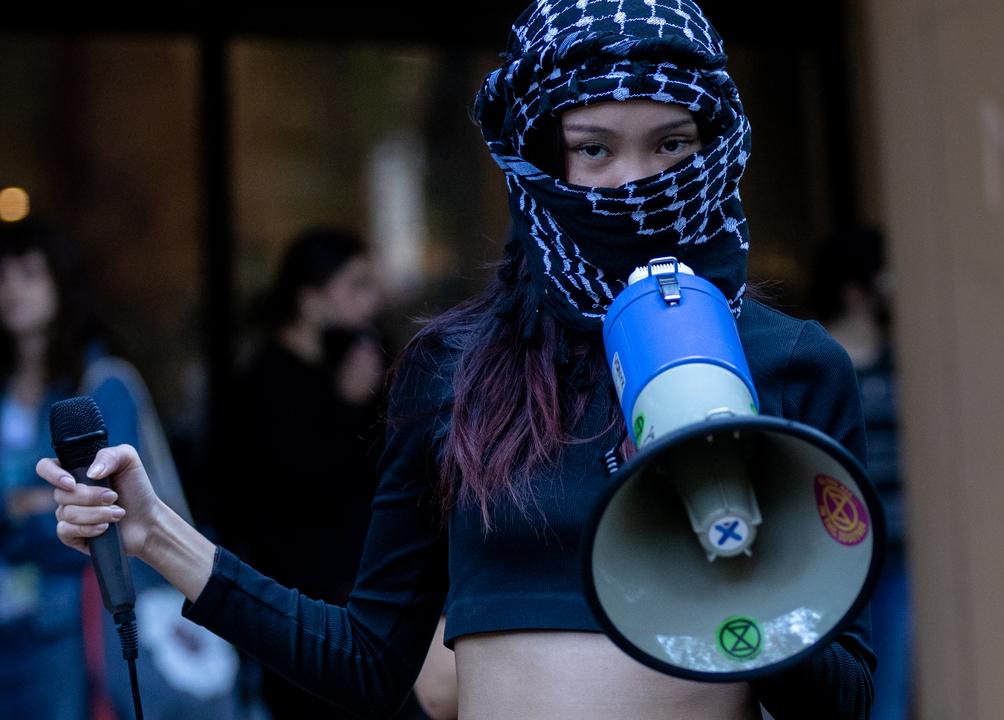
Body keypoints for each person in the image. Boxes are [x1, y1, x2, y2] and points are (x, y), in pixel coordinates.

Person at [39, 2, 877, 718]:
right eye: (594, 149)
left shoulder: (795, 366)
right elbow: (369, 661)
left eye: (670, 145)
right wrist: (154, 535)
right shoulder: (459, 366)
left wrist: (747, 563)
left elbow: (846, 698)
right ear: (546, 164)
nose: (632, 182)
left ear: (715, 151)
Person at [1, 216, 236, 719]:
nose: (11, 289)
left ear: (61, 283)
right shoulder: (5, 389)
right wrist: (35, 505)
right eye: (1, 276)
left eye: (28, 274)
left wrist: (26, 512)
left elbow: (108, 508)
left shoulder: (99, 382)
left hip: (69, 621)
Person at [226, 227, 399, 718]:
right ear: (311, 296)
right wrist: (347, 403)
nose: (374, 299)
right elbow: (302, 482)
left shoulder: (348, 356)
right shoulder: (269, 380)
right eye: (357, 284)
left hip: (351, 583)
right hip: (300, 592)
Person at [815, 227, 913, 720]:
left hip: (897, 557)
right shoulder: (814, 366)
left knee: (889, 694)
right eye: (884, 277)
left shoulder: (906, 362)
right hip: (833, 558)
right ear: (857, 290)